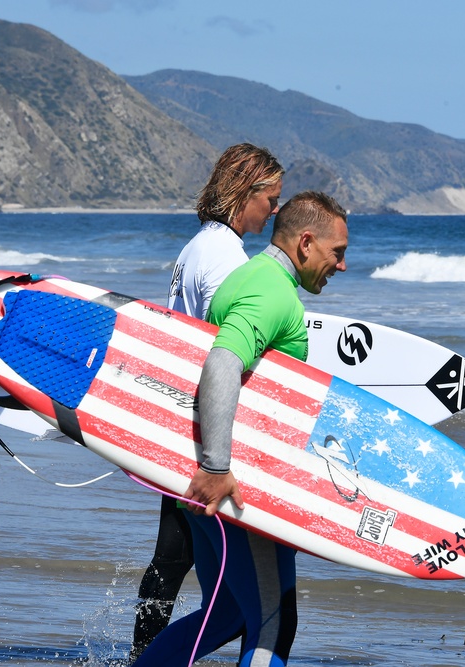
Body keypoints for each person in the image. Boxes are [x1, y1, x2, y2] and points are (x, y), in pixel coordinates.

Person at [133, 191, 349, 667]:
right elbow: (223, 362)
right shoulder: (273, 292)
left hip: (204, 477)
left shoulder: (249, 275)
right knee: (274, 623)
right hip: (234, 485)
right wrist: (217, 466)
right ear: (307, 242)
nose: (342, 265)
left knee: (226, 614)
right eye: (338, 252)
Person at [132, 143, 284, 658]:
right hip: (202, 433)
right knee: (221, 587)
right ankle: (150, 657)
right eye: (271, 198)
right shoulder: (224, 257)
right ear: (246, 193)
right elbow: (227, 349)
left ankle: (146, 654)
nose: (276, 210)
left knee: (172, 559)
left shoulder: (199, 246)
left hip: (181, 423)